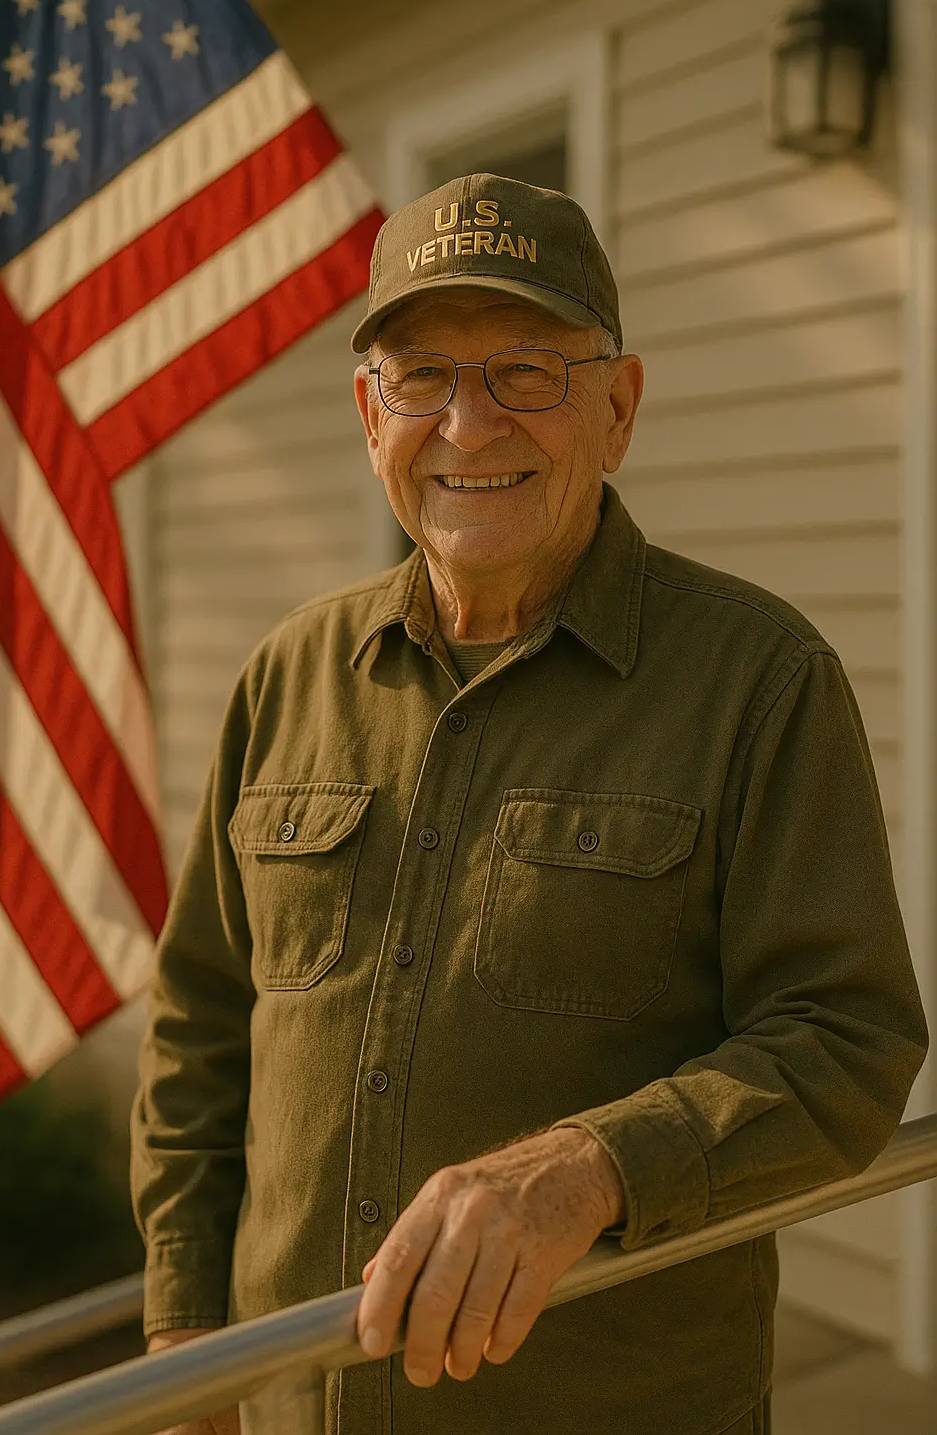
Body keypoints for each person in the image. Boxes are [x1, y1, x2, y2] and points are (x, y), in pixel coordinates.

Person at [131, 174, 928, 1435]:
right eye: (421, 377)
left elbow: (846, 1039)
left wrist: (593, 1167)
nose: (467, 425)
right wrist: (183, 1339)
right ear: (366, 413)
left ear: (618, 408)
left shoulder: (757, 680)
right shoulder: (287, 676)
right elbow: (201, 1030)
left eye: (525, 373)